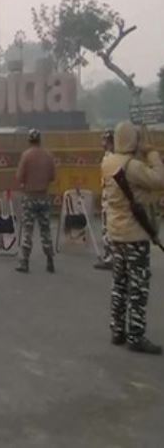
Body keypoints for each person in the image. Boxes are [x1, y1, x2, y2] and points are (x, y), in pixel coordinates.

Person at [101, 122, 164, 355]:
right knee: (138, 286)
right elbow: (160, 180)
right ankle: (135, 334)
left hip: (116, 232)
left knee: (120, 283)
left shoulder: (109, 162)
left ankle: (117, 330)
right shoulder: (132, 166)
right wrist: (153, 153)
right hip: (135, 234)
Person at [15, 129, 56, 274]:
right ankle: (50, 260)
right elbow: (52, 177)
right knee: (45, 230)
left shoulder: (26, 156)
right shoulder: (48, 155)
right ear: (40, 140)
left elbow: (19, 177)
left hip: (30, 197)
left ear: (29, 140)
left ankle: (24, 262)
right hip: (44, 196)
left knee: (28, 229)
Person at [94, 129, 115, 271]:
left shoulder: (109, 158)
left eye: (105, 141)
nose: (103, 143)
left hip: (110, 197)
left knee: (108, 229)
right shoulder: (117, 156)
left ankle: (110, 258)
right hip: (111, 196)